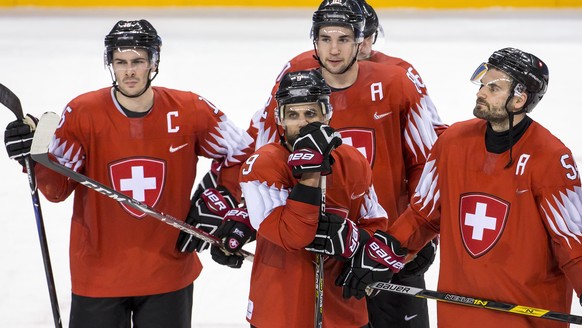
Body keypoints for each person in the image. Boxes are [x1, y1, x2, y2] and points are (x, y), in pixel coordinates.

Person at [4, 19, 253, 328]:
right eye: (120, 62)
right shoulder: (83, 113)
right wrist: (32, 156)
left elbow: (244, 154)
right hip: (98, 276)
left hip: (168, 273)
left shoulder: (190, 110)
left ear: (153, 63)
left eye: (138, 61)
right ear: (110, 64)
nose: (129, 71)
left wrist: (221, 196)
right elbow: (57, 190)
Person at [338, 47, 582, 327]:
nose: (481, 92)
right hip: (459, 312)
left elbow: (573, 243)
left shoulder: (550, 158)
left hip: (524, 315)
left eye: (493, 87)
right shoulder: (453, 141)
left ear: (519, 99)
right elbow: (423, 215)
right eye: (482, 83)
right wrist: (381, 254)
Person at [244, 0, 439, 326]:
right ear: (315, 39)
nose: (337, 49)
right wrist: (242, 209)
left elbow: (428, 162)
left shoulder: (397, 78)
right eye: (326, 38)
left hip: (386, 243)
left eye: (348, 38)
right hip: (317, 248)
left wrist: (414, 237)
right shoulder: (298, 75)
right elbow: (264, 147)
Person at [216, 69, 389, 327]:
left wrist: (355, 238)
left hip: (343, 311)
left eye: (311, 113)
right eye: (293, 114)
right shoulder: (262, 166)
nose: (303, 123)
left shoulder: (354, 161)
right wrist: (310, 170)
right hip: (278, 311)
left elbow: (375, 224)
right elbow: (293, 235)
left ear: (326, 114)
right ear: (280, 119)